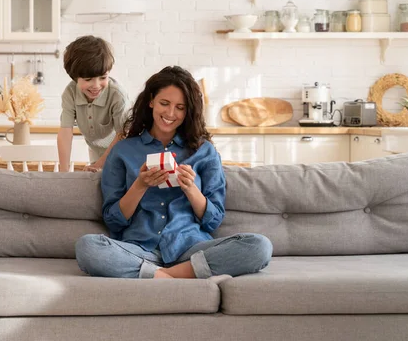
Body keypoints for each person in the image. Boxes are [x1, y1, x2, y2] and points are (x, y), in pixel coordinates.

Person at [75, 66, 272, 279]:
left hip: (191, 249)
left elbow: (213, 221)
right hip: (140, 249)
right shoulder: (123, 151)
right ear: (151, 101)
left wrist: (191, 188)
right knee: (87, 247)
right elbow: (113, 221)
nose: (170, 114)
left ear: (189, 111)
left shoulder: (204, 151)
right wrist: (139, 186)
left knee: (259, 246)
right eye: (164, 103)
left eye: (180, 107)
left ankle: (161, 276)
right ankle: (179, 275)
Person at [57, 36, 129, 172]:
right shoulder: (70, 93)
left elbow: (123, 135)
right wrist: (63, 172)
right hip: (96, 151)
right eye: (88, 79)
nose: (96, 85)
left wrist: (99, 164)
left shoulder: (117, 95)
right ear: (75, 78)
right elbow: (65, 132)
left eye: (103, 77)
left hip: (123, 150)